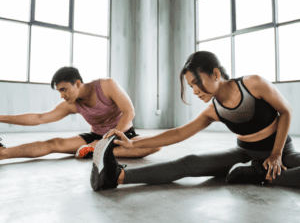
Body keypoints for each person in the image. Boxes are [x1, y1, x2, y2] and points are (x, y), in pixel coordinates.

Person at [90, 51, 300, 191]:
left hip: (282, 151)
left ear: (215, 74)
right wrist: (132, 143)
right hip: (244, 153)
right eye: (191, 86)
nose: (195, 91)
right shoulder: (213, 110)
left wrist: (276, 154)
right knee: (190, 162)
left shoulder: (253, 84)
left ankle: (260, 173)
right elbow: (178, 133)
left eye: (196, 83)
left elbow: (286, 112)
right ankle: (115, 177)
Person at [0, 67, 160, 161]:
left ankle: (98, 151)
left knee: (155, 144)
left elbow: (129, 112)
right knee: (54, 143)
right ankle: (3, 154)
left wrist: (109, 141)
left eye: (64, 90)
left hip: (123, 135)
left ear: (77, 83)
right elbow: (40, 118)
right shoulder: (72, 104)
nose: (62, 95)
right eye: (59, 91)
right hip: (95, 137)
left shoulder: (106, 85)